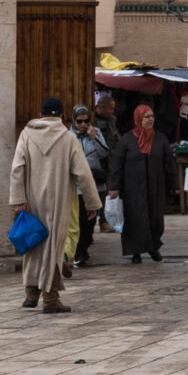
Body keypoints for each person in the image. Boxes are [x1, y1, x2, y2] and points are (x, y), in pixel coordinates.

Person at [10, 97, 100, 311]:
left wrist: (18, 199)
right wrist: (92, 203)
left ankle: (31, 293)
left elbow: (17, 168)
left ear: (41, 114)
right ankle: (50, 298)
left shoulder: (26, 134)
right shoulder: (68, 139)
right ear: (61, 116)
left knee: (33, 244)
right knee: (53, 248)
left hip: (31, 201)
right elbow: (83, 174)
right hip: (59, 201)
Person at [105, 101, 173, 263]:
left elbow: (169, 164)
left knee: (156, 220)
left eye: (152, 116)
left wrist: (174, 185)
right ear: (138, 118)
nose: (150, 119)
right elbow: (117, 165)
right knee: (135, 220)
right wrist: (114, 187)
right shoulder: (127, 141)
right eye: (146, 117)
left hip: (155, 187)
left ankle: (153, 247)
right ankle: (137, 252)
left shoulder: (160, 139)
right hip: (132, 188)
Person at [70, 103, 112, 267]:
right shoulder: (68, 136)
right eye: (79, 121)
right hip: (76, 187)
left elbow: (104, 152)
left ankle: (83, 249)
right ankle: (78, 252)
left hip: (94, 184)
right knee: (78, 221)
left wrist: (93, 137)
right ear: (74, 120)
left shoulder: (96, 133)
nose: (82, 125)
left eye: (85, 121)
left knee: (89, 222)